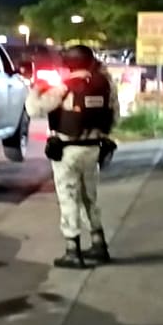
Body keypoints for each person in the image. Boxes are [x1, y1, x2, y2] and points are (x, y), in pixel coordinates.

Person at [26, 44, 119, 269]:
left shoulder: (65, 87)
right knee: (89, 197)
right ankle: (99, 244)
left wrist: (36, 90)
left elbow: (34, 109)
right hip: (94, 149)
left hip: (67, 150)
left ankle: (72, 250)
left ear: (69, 64)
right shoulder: (105, 85)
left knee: (68, 197)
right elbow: (114, 117)